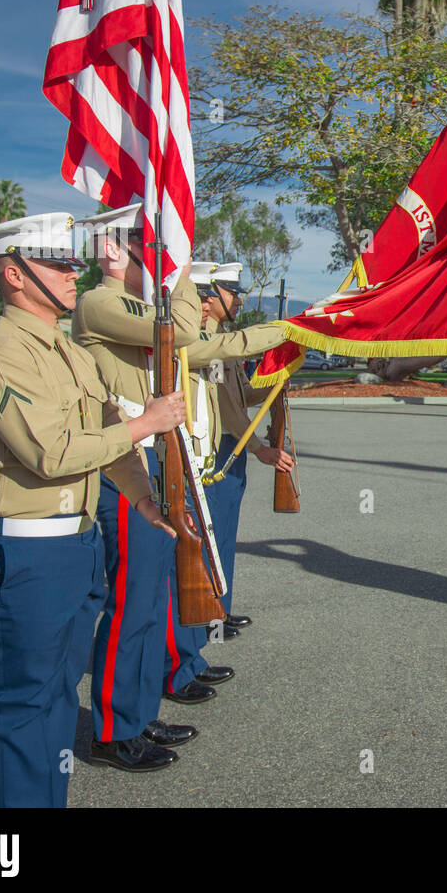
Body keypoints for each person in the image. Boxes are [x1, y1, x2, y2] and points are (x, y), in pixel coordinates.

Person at [0, 212, 188, 805]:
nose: (71, 274)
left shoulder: (66, 350)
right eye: (56, 264)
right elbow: (51, 453)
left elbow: (106, 432)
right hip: (25, 549)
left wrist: (142, 497)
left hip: (74, 543)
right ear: (13, 273)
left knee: (57, 697)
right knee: (24, 705)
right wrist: (146, 422)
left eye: (70, 263)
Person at [72, 204, 219, 770]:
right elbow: (182, 330)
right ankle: (112, 730)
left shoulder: (136, 305)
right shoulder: (100, 300)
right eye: (142, 242)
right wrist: (180, 267)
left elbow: (181, 341)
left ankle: (136, 709)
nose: (154, 253)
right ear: (112, 250)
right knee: (131, 602)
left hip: (149, 455)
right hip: (123, 458)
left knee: (152, 598)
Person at [200, 262, 295, 632]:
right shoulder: (209, 343)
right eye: (231, 292)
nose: (238, 300)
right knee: (213, 534)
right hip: (222, 449)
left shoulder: (223, 338)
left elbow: (240, 397)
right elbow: (226, 409)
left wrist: (277, 381)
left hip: (231, 448)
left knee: (224, 536)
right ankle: (207, 614)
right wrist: (258, 448)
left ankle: (219, 610)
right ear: (209, 296)